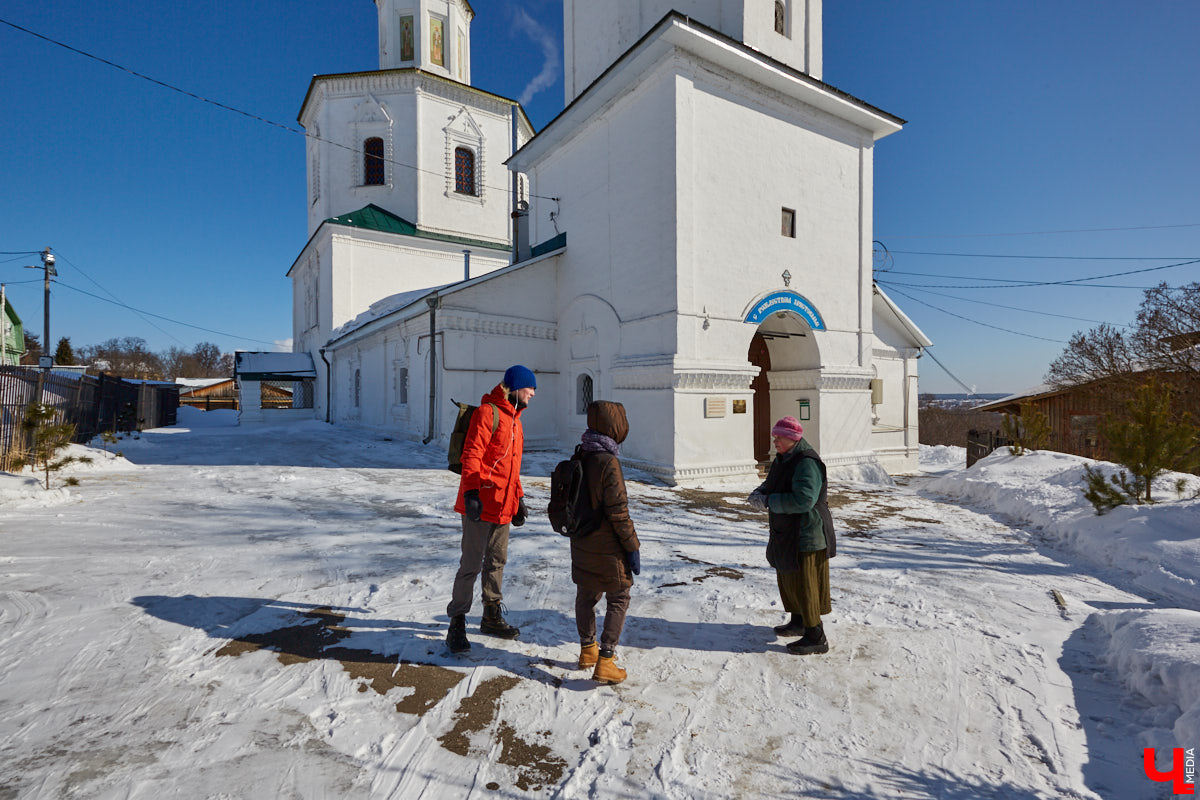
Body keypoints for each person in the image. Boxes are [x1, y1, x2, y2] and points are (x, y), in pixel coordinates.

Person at [445, 365, 536, 653]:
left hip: (503, 505)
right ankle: (457, 622)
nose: (533, 394)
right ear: (516, 387)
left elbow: (511, 467)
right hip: (480, 503)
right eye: (530, 388)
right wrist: (471, 491)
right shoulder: (489, 413)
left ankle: (491, 615)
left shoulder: (516, 422)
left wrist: (518, 498)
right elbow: (471, 453)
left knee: (497, 561)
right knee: (471, 564)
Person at [747, 415, 833, 655]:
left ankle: (816, 635)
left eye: (779, 437)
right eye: (774, 437)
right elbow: (773, 482)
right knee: (789, 578)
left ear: (793, 439)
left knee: (806, 584)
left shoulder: (806, 462)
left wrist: (769, 501)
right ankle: (798, 621)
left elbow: (804, 500)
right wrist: (760, 491)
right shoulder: (784, 458)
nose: (775, 441)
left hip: (807, 533)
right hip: (788, 531)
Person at [572, 400, 640, 684]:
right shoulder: (608, 462)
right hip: (608, 545)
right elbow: (618, 511)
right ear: (616, 426)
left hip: (582, 540)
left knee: (587, 594)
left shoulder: (582, 453)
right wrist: (633, 546)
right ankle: (606, 661)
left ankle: (588, 650)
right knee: (619, 596)